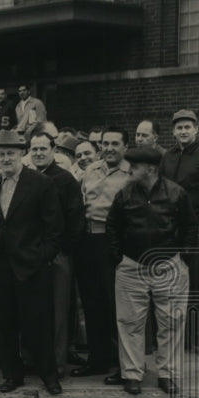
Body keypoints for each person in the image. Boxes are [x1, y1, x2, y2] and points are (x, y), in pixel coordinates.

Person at [106, 145, 195, 395]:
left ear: (151, 169)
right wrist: (118, 256)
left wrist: (184, 257)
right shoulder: (124, 195)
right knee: (129, 322)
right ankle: (132, 374)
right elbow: (112, 225)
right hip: (132, 266)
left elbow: (190, 226)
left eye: (134, 166)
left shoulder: (177, 193)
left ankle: (168, 374)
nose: (129, 169)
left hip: (169, 266)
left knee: (172, 323)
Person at [0, 130, 63, 394]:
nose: (5, 158)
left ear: (21, 154)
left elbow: (55, 228)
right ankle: (12, 375)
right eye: (1, 153)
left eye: (11, 153)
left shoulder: (40, 183)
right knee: (4, 324)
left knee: (38, 324)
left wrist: (42, 258)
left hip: (32, 266)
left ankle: (49, 375)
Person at [159, 109, 199, 354]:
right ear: (173, 131)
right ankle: (184, 338)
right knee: (175, 284)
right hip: (173, 230)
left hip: (198, 229)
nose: (183, 131)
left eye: (188, 127)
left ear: (196, 129)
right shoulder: (168, 156)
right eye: (179, 127)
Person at [71, 128, 130, 378]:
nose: (109, 148)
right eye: (105, 143)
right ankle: (97, 359)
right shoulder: (90, 172)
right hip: (88, 241)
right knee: (92, 301)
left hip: (113, 242)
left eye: (115, 144)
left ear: (125, 147)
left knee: (115, 304)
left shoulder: (131, 175)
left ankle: (122, 364)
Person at [29, 132, 86, 376]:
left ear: (53, 150)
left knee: (58, 312)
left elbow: (76, 220)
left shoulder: (65, 180)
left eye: (43, 148)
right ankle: (34, 360)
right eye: (35, 149)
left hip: (57, 255)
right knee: (34, 310)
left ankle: (56, 364)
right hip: (31, 255)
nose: (39, 153)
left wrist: (62, 250)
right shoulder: (28, 178)